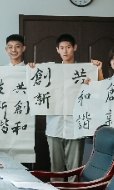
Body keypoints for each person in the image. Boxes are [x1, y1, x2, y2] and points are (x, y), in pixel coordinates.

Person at [28, 34, 102, 172]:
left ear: (74, 48)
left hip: (75, 127)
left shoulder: (85, 71)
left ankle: (73, 187)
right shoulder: (49, 71)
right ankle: (57, 187)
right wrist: (31, 70)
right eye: (61, 48)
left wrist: (98, 71)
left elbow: (99, 93)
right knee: (56, 169)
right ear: (57, 50)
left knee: (74, 169)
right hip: (54, 126)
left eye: (68, 47)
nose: (65, 51)